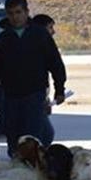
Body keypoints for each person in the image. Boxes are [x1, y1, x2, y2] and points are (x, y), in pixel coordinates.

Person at [0, 0, 66, 152]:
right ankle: (16, 171)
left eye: (18, 12)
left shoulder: (40, 34)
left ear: (26, 12)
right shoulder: (4, 37)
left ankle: (33, 172)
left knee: (33, 139)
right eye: (11, 13)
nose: (15, 17)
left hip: (34, 94)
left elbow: (55, 62)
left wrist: (60, 88)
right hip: (10, 96)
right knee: (14, 139)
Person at [32, 14, 58, 144]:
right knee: (45, 134)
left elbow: (56, 67)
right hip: (29, 97)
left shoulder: (45, 44)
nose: (53, 31)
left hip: (39, 96)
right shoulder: (32, 47)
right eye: (50, 27)